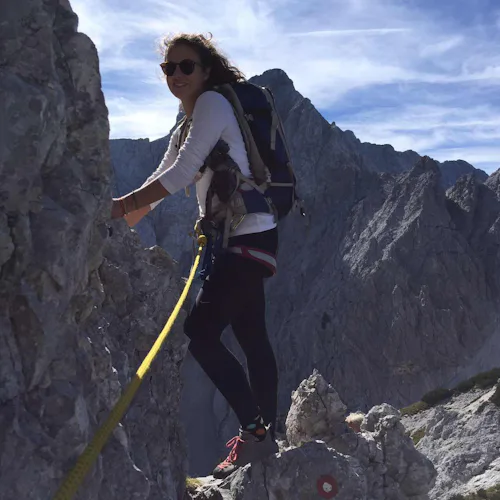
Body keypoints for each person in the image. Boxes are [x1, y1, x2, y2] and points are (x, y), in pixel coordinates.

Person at [110, 33, 279, 479]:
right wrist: (116, 222)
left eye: (186, 66)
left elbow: (183, 174)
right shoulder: (187, 121)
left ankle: (256, 433)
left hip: (243, 238)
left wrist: (120, 209)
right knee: (251, 336)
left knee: (201, 333)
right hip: (247, 237)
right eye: (169, 69)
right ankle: (266, 437)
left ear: (206, 70)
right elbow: (164, 175)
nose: (176, 75)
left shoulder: (212, 106)